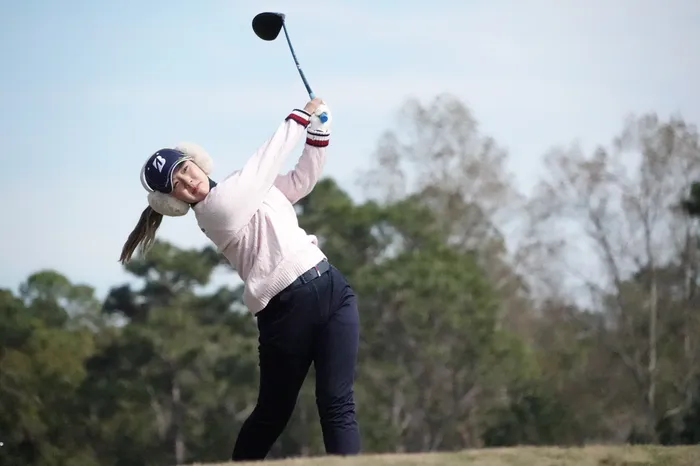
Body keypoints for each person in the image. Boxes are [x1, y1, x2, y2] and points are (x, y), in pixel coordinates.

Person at [119, 98, 361, 461]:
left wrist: (318, 134)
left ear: (196, 161)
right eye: (177, 185)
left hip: (333, 289)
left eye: (185, 169)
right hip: (285, 311)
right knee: (272, 413)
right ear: (173, 202)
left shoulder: (242, 186)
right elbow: (267, 159)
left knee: (337, 401)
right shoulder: (215, 212)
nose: (188, 182)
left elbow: (300, 181)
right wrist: (300, 116)